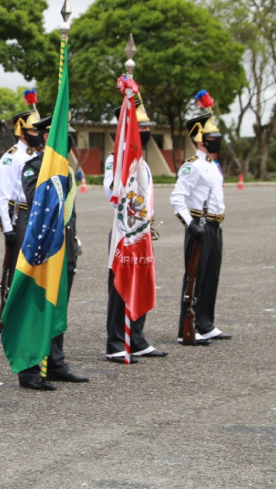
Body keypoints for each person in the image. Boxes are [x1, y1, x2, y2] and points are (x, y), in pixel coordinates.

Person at [15, 115, 89, 389]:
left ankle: (55, 361)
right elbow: (36, 201)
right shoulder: (34, 167)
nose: (68, 141)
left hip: (65, 247)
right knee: (38, 306)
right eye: (63, 136)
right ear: (47, 136)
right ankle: (31, 368)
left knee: (58, 307)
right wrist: (52, 173)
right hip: (44, 250)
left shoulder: (68, 169)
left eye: (70, 135)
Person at [103, 103, 168, 363]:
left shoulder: (143, 161)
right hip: (124, 232)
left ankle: (137, 338)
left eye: (147, 127)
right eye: (141, 127)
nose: (146, 131)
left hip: (141, 233)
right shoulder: (115, 160)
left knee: (141, 282)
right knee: (119, 288)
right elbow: (113, 193)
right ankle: (116, 341)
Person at [170, 90, 231, 344]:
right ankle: (188, 326)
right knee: (194, 277)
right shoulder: (192, 166)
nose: (217, 140)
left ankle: (206, 323)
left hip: (215, 226)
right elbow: (176, 198)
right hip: (199, 225)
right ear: (200, 138)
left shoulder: (214, 165)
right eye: (212, 137)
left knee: (211, 275)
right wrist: (191, 224)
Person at [0, 92, 46, 307]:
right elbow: (2, 196)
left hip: (38, 214)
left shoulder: (38, 156)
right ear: (21, 130)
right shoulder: (11, 157)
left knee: (38, 265)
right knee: (18, 267)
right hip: (21, 215)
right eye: (34, 129)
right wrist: (7, 229)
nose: (38, 134)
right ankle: (11, 310)